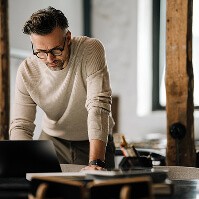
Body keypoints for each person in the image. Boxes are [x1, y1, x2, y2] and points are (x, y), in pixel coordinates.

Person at [9, 6, 115, 170]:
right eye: (41, 52)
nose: (50, 59)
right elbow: (22, 124)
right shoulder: (27, 70)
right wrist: (19, 162)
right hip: (52, 142)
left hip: (94, 141)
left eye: (56, 50)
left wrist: (96, 163)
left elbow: (98, 105)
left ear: (68, 38)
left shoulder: (90, 50)